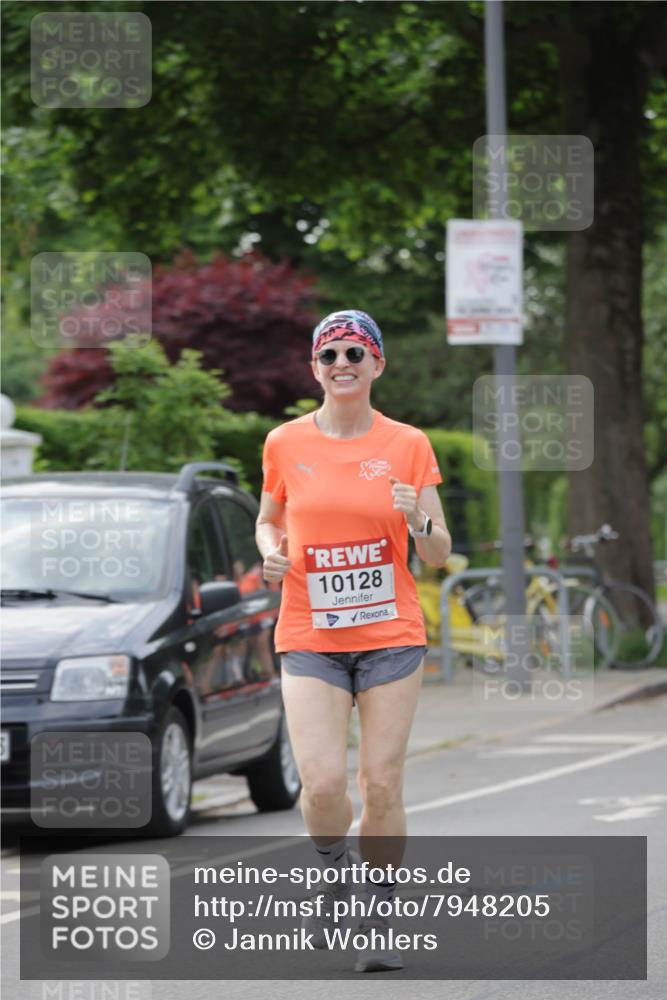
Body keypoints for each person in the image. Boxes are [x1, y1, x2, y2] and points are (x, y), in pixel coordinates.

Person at [255, 309, 451, 972]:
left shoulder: (408, 444)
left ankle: (380, 911)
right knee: (321, 780)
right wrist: (270, 553)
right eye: (330, 355)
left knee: (382, 782)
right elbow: (267, 520)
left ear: (376, 366)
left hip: (390, 633)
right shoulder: (284, 442)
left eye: (354, 354)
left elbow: (437, 554)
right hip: (308, 629)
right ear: (315, 368)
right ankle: (333, 874)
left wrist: (416, 514)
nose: (342, 364)